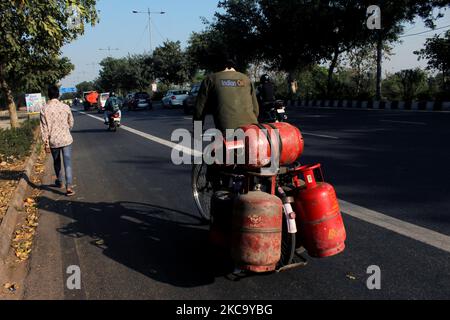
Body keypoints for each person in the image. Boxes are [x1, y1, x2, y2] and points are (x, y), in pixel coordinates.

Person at [194, 58, 259, 132]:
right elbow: (256, 109)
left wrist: (197, 131)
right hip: (252, 129)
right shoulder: (246, 79)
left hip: (226, 130)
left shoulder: (210, 79)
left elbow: (199, 110)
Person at [40, 85, 75, 196]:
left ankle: (60, 182)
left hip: (53, 141)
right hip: (66, 139)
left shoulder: (44, 109)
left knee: (57, 162)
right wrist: (65, 130)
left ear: (48, 95)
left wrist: (46, 144)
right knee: (67, 162)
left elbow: (44, 129)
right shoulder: (65, 107)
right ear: (58, 94)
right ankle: (69, 187)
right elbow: (71, 122)